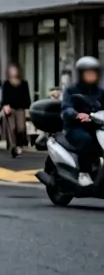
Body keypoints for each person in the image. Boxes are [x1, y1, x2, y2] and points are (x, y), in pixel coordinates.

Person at [61, 56, 103, 184]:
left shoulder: (100, 92)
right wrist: (76, 115)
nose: (91, 75)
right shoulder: (71, 91)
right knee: (86, 140)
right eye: (87, 72)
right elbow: (66, 108)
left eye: (93, 72)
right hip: (76, 127)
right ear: (81, 74)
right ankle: (84, 173)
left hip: (97, 127)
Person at [0, 64, 32, 158]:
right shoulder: (6, 83)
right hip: (10, 108)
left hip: (20, 108)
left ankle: (19, 144)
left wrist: (28, 107)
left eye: (15, 70)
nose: (13, 72)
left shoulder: (24, 83)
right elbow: (4, 96)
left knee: (21, 128)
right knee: (12, 128)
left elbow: (27, 96)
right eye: (11, 71)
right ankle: (13, 147)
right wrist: (5, 105)